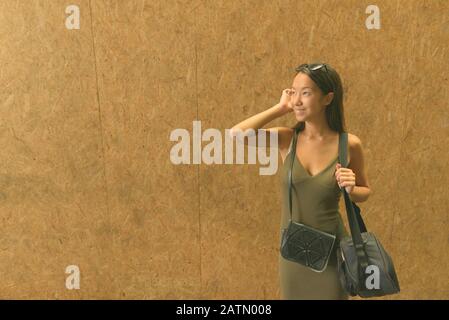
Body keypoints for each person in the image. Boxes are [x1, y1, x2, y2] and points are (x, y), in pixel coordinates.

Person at [230, 62, 372, 299]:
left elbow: (365, 191)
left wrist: (351, 188)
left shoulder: (350, 145)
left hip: (333, 253)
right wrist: (279, 108)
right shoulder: (287, 139)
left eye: (305, 93)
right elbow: (237, 134)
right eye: (293, 92)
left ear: (328, 99)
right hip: (294, 253)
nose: (296, 100)